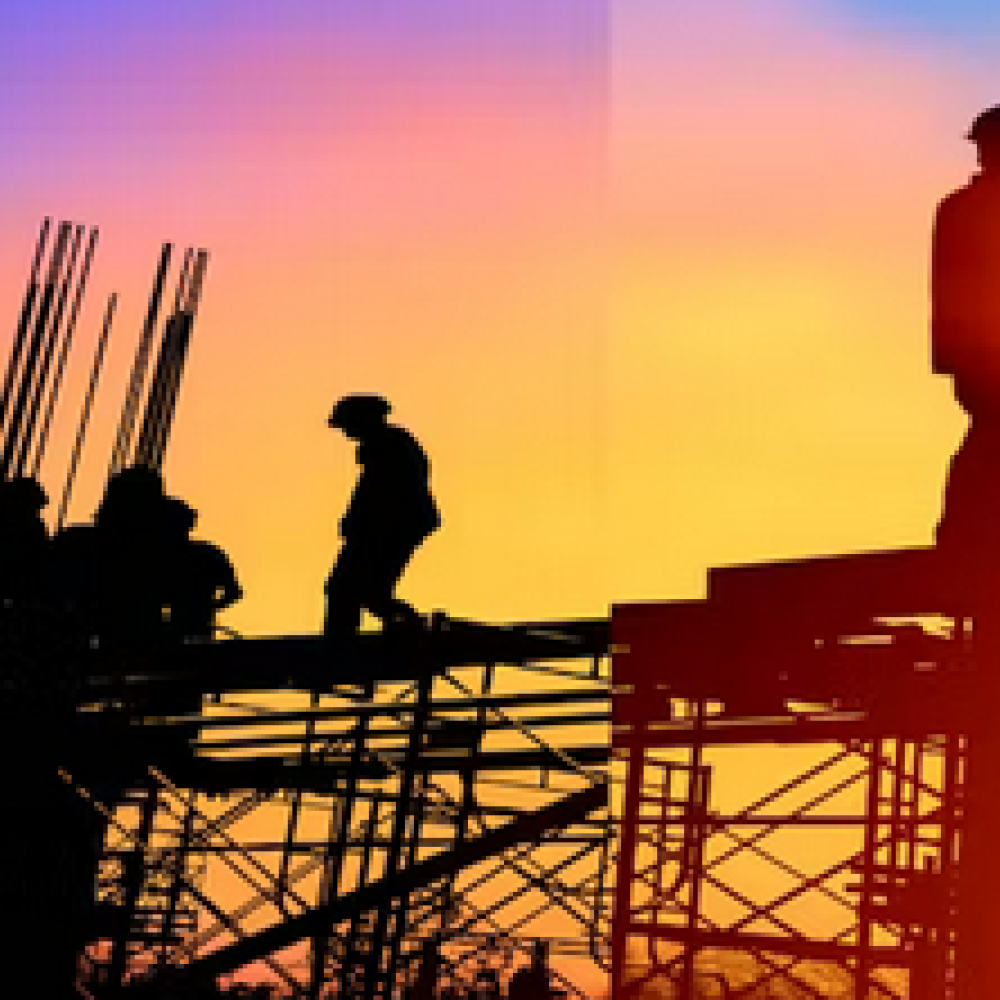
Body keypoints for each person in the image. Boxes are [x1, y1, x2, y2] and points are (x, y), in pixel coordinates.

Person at [933, 106, 1000, 554]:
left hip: (975, 355)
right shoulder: (963, 209)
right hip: (982, 356)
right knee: (987, 442)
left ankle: (963, 536)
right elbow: (950, 286)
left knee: (986, 443)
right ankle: (962, 538)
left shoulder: (960, 208)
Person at [324, 394, 440, 638]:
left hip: (390, 526)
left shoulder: (385, 446)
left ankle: (341, 644)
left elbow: (376, 490)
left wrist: (356, 522)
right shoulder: (392, 443)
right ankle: (406, 627)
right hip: (395, 525)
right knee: (367, 592)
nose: (345, 431)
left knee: (345, 588)